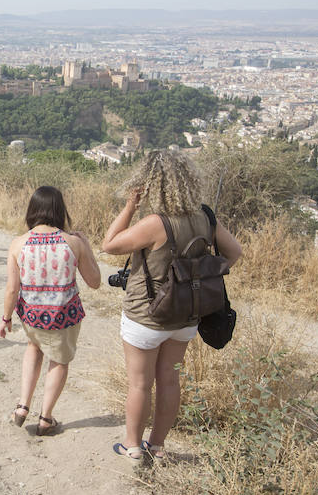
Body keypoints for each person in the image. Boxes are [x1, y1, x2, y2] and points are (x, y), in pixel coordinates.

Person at [101, 150, 242, 462]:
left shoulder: (155, 223)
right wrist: (203, 273)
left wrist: (128, 207)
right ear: (190, 182)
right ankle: (158, 446)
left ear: (152, 185)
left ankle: (132, 446)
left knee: (140, 384)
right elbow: (233, 253)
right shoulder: (205, 217)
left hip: (146, 317)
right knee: (169, 380)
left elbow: (109, 244)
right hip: (186, 318)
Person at [0, 186, 101, 436]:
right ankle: (45, 418)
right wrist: (86, 246)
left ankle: (23, 406)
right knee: (59, 360)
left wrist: (6, 318)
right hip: (64, 315)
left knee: (34, 348)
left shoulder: (18, 243)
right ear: (59, 210)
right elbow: (95, 281)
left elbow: (12, 289)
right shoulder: (73, 242)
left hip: (32, 316)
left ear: (32, 210)